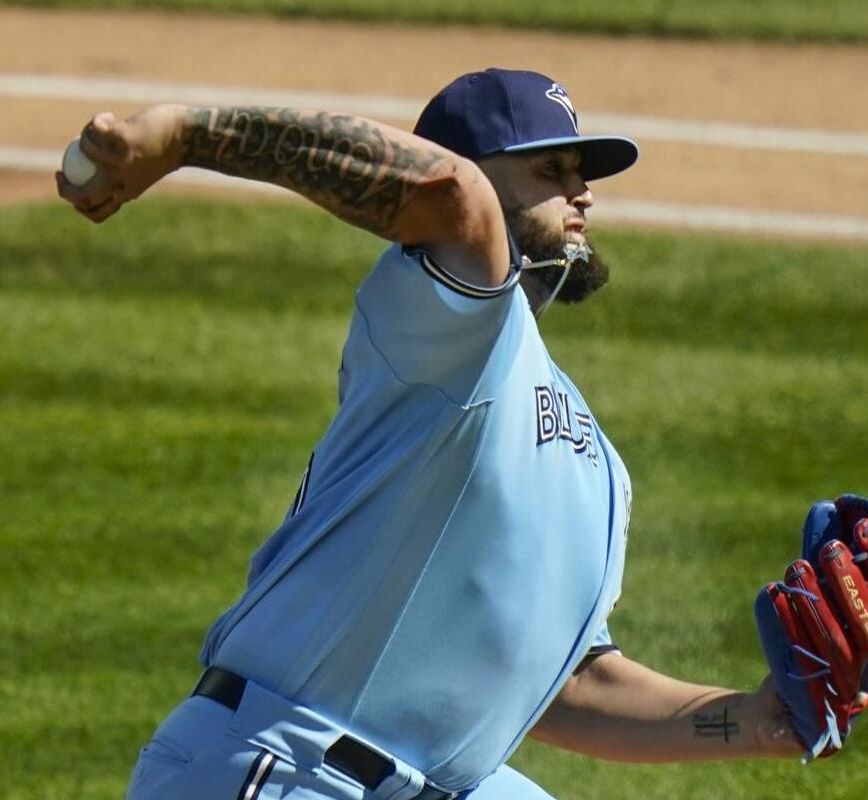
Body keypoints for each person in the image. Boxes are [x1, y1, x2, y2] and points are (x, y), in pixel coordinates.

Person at [57, 68, 799, 800]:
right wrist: (187, 135)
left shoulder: (598, 464)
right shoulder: (449, 325)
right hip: (288, 766)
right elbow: (453, 197)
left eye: (579, 171)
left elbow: (568, 682)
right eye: (550, 167)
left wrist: (758, 720)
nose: (582, 192)